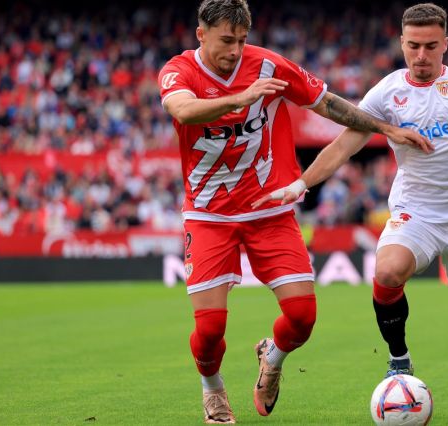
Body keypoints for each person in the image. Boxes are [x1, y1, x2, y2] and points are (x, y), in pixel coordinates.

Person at [157, 0, 431, 423]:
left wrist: (385, 128)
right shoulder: (178, 71)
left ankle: (272, 358)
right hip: (210, 216)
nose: (235, 50)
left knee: (302, 318)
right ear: (201, 34)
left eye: (242, 40)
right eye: (226, 40)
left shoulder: (269, 66)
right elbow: (182, 109)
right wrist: (241, 97)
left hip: (269, 209)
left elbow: (328, 104)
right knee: (210, 330)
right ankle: (213, 390)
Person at [254, 2, 448, 417]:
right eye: (413, 46)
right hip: (416, 210)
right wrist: (300, 184)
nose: (421, 55)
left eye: (431, 46)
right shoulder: (387, 92)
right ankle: (399, 359)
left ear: (446, 44)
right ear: (401, 43)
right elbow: (343, 146)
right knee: (387, 272)